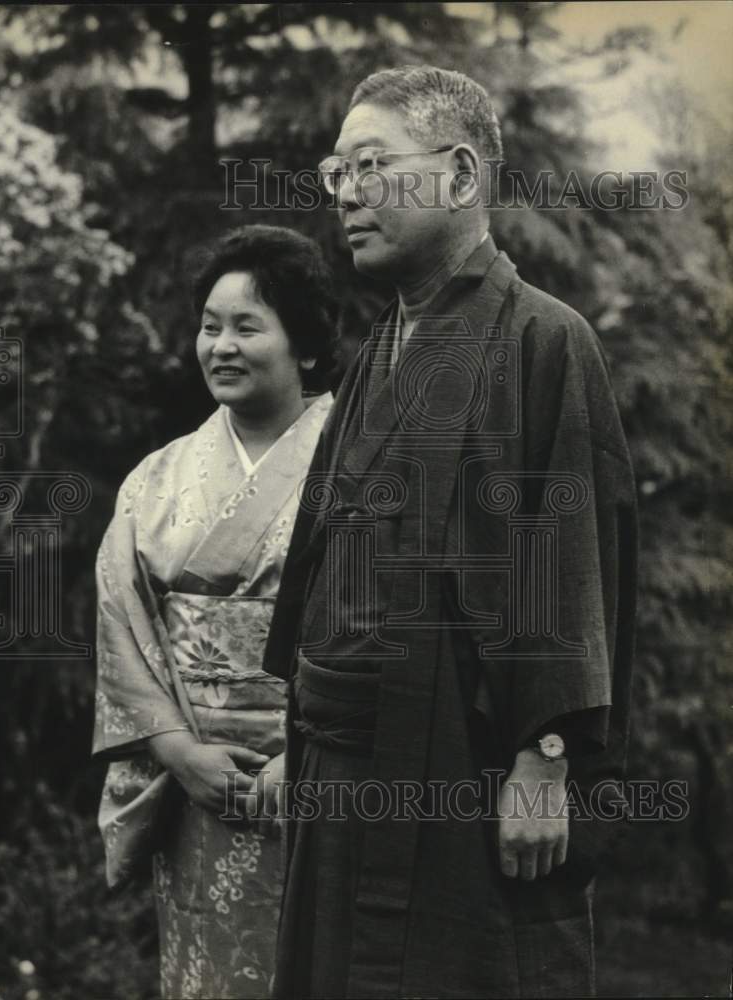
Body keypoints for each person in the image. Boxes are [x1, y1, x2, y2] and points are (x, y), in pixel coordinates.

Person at [263, 66, 637, 998]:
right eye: (336, 171)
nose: (345, 192)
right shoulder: (374, 355)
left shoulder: (543, 340)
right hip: (342, 764)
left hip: (454, 767)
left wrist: (544, 759)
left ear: (462, 176)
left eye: (372, 165)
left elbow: (573, 559)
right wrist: (296, 738)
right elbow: (327, 568)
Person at [92, 224, 336, 999]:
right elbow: (120, 621)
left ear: (304, 346)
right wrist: (174, 751)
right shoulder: (157, 478)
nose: (220, 346)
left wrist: (314, 751)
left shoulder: (358, 465)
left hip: (321, 774)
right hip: (197, 785)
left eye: (246, 326)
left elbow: (387, 620)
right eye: (208, 326)